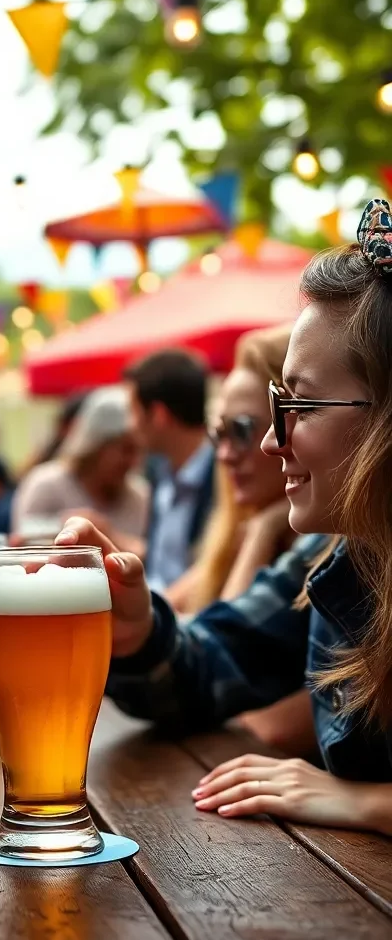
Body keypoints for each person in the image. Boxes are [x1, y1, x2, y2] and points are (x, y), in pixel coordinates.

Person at [56, 198, 392, 835]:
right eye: (271, 406)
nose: (269, 441)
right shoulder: (341, 558)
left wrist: (367, 802)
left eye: (301, 405)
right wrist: (135, 633)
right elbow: (207, 670)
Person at [168, 324, 314, 756]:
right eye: (220, 433)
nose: (226, 453)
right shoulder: (232, 530)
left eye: (244, 429)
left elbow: (270, 726)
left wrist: (264, 534)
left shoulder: (333, 550)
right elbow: (197, 637)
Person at [12, 385, 148, 549]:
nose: (134, 461)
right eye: (126, 450)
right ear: (97, 445)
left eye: (139, 451)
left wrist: (103, 533)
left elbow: (152, 558)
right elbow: (23, 548)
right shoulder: (45, 486)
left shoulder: (138, 495)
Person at [124, 349, 214, 592]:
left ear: (159, 415)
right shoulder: (160, 473)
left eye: (132, 411)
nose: (130, 425)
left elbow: (214, 567)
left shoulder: (228, 476)